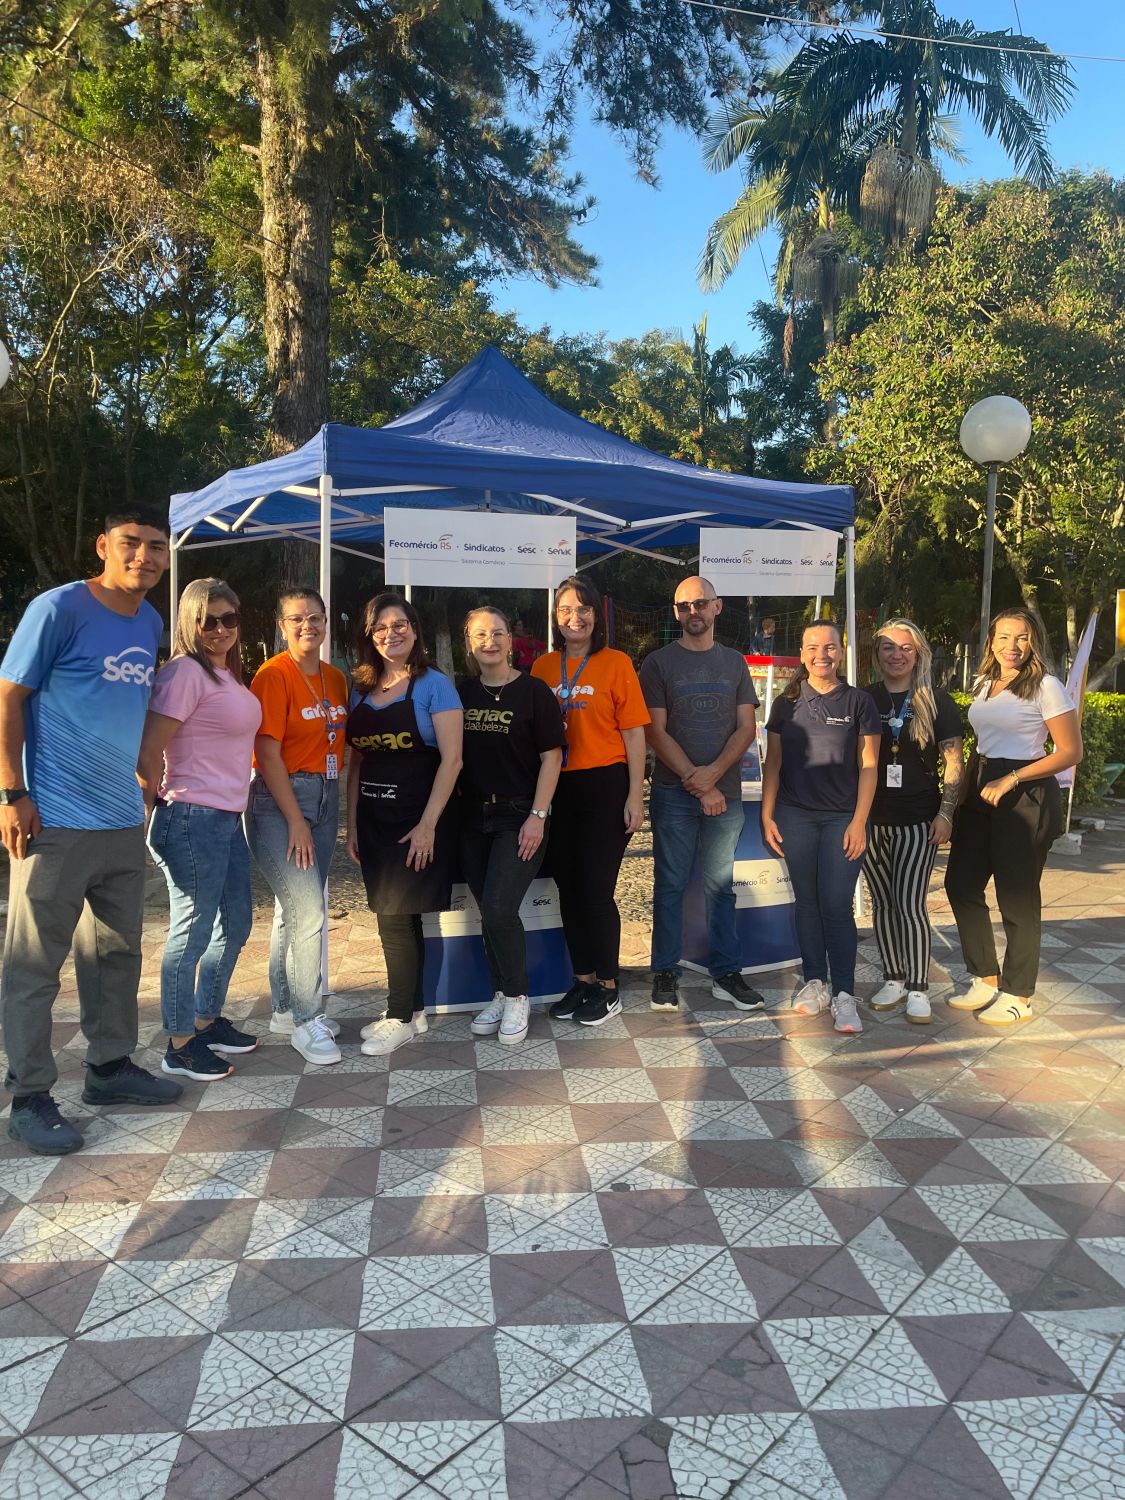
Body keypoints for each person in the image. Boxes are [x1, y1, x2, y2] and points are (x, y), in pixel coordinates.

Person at [0, 507, 183, 1155]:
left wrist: (143, 773)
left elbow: (129, 707)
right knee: (33, 965)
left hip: (119, 819)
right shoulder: (59, 609)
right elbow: (9, 695)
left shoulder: (152, 620)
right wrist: (13, 793)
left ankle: (108, 1069)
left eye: (156, 547)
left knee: (114, 954)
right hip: (52, 818)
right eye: (131, 544)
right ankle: (29, 1095)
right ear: (102, 545)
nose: (144, 556)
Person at [137, 579, 263, 1081]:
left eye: (228, 618)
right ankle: (179, 1041)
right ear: (188, 622)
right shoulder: (185, 673)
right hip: (190, 817)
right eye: (207, 620)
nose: (219, 629)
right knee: (191, 933)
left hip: (225, 819)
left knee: (235, 924)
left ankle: (206, 1018)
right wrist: (145, 812)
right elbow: (149, 752)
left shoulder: (223, 675)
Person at [944, 608, 1082, 1026]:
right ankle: (986, 977)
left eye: (1021, 638)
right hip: (982, 787)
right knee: (961, 884)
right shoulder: (985, 683)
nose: (1012, 646)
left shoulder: (1047, 686)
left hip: (1025, 794)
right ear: (991, 641)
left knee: (1017, 897)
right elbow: (985, 741)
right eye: (1003, 638)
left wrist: (1013, 778)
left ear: (1033, 641)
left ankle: (1019, 993)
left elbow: (1069, 752)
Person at [345, 593, 463, 1056]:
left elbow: (452, 762)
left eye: (400, 625)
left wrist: (429, 825)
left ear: (415, 629)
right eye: (380, 627)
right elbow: (357, 763)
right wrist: (352, 824)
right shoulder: (360, 688)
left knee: (394, 916)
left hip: (419, 820)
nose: (390, 634)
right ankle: (412, 1013)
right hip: (374, 821)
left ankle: (398, 1016)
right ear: (369, 635)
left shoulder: (435, 686)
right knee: (395, 914)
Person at [640, 576, 763, 1014]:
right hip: (674, 794)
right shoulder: (657, 664)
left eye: (700, 604)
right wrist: (696, 778)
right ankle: (665, 971)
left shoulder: (734, 663)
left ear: (717, 607)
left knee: (720, 888)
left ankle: (726, 974)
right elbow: (654, 730)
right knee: (669, 885)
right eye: (683, 606)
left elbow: (746, 727)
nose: (692, 612)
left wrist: (712, 777)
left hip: (723, 795)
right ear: (676, 613)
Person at [532, 576, 649, 1026]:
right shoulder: (543, 668)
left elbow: (634, 733)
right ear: (556, 618)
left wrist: (635, 794)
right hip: (557, 787)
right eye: (565, 610)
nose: (574, 618)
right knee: (568, 890)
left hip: (606, 785)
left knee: (596, 891)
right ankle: (582, 981)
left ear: (595, 618)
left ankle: (608, 986)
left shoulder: (616, 663)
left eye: (582, 609)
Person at [761, 621, 881, 1034]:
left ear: (841, 651)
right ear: (802, 653)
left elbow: (869, 765)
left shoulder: (859, 701)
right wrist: (766, 813)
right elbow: (772, 763)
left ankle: (845, 993)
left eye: (830, 647)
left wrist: (860, 821)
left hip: (842, 820)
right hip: (795, 815)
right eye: (813, 647)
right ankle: (815, 982)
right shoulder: (785, 703)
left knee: (835, 904)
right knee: (807, 903)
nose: (822, 654)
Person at [246, 589, 348, 1066]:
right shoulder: (272, 676)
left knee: (294, 911)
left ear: (326, 623)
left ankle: (285, 1008)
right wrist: (294, 821)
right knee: (309, 913)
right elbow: (266, 752)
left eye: (315, 617)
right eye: (297, 619)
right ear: (281, 625)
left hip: (326, 796)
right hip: (279, 801)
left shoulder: (334, 678)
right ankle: (309, 1020)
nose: (308, 625)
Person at [458, 607, 565, 1045]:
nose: (490, 641)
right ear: (469, 642)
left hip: (520, 815)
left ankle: (519, 996)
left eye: (498, 633)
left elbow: (552, 757)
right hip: (470, 817)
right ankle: (501, 993)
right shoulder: (460, 693)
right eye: (480, 634)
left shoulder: (535, 692)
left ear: (510, 640)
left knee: (501, 908)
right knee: (488, 911)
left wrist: (538, 817)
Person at [864, 619, 964, 1026]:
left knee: (909, 904)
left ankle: (919, 986)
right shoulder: (864, 698)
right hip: (870, 820)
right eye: (888, 647)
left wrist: (945, 813)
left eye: (905, 647)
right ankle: (894, 977)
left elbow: (954, 762)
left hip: (918, 820)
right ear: (877, 654)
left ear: (918, 653)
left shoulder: (935, 700)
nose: (897, 654)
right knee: (883, 903)